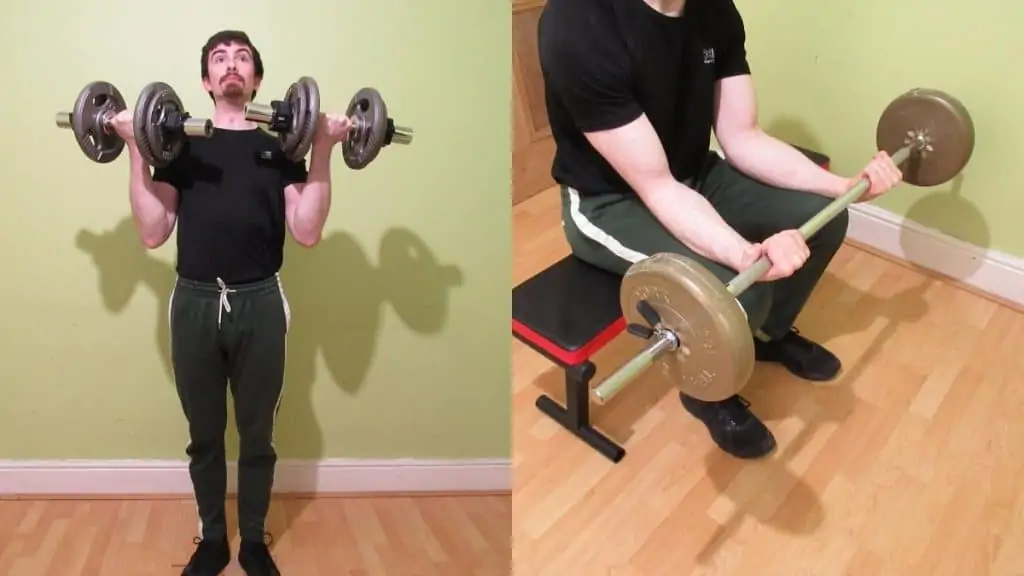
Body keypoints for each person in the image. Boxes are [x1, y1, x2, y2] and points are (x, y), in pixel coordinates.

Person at [537, 0, 903, 459]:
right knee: (737, 290)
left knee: (824, 219)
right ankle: (707, 388)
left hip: (693, 173)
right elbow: (656, 187)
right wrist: (743, 254)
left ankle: (766, 336)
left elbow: (743, 136)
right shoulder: (578, 22)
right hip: (608, 201)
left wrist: (843, 186)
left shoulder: (714, 10)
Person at [109, 30, 351, 576]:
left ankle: (255, 543)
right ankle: (213, 539)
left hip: (260, 301)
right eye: (219, 59)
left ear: (257, 78)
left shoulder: (278, 146)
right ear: (205, 81)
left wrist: (324, 149)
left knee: (258, 432)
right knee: (205, 434)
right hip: (194, 302)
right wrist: (133, 146)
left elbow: (307, 231)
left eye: (242, 57)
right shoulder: (178, 145)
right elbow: (152, 231)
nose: (231, 65)